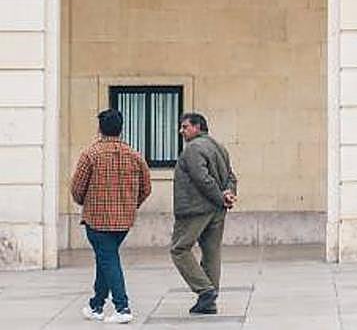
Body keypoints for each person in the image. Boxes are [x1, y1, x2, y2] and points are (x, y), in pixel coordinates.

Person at [71, 108, 152, 324]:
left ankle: (122, 306)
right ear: (121, 128)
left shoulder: (90, 154)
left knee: (108, 259)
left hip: (96, 219)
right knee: (106, 259)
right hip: (124, 221)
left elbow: (77, 188)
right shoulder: (135, 155)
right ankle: (95, 305)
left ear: (100, 128)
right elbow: (146, 187)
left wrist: (84, 202)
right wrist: (131, 205)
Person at [170, 112, 237, 316]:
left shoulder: (193, 148)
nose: (181, 131)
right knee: (211, 252)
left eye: (185, 127)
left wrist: (220, 196)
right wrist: (228, 194)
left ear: (198, 127)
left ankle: (204, 290)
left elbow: (202, 178)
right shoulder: (219, 146)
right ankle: (209, 300)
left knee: (179, 249)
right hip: (217, 210)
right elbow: (231, 176)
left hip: (195, 209)